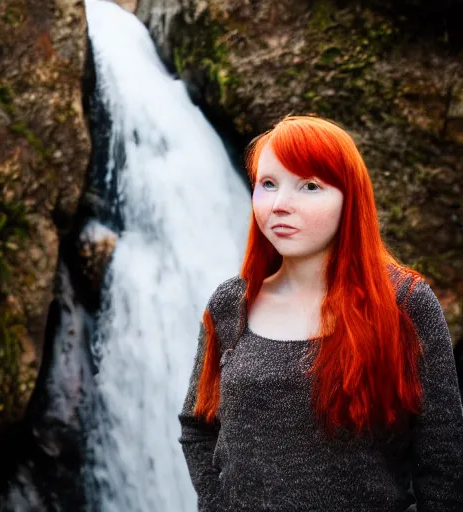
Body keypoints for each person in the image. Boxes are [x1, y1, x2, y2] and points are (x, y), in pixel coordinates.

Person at [178, 115, 463, 512]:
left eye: (309, 186)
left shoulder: (405, 305)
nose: (279, 205)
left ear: (350, 198)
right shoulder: (230, 305)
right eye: (268, 184)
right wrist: (217, 504)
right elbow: (197, 425)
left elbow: (443, 461)